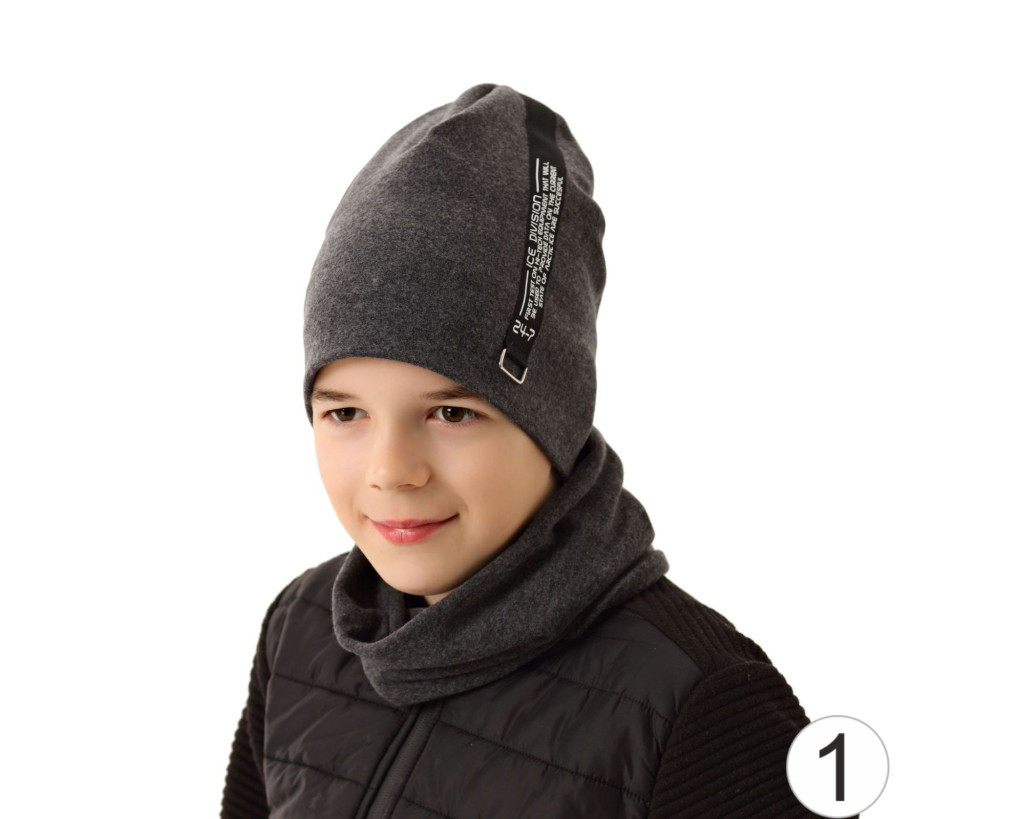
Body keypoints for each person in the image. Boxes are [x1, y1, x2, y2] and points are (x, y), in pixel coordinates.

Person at [221, 84, 821, 818]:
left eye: (451, 412)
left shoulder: (702, 707)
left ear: (554, 419)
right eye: (345, 412)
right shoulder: (302, 630)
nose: (389, 470)